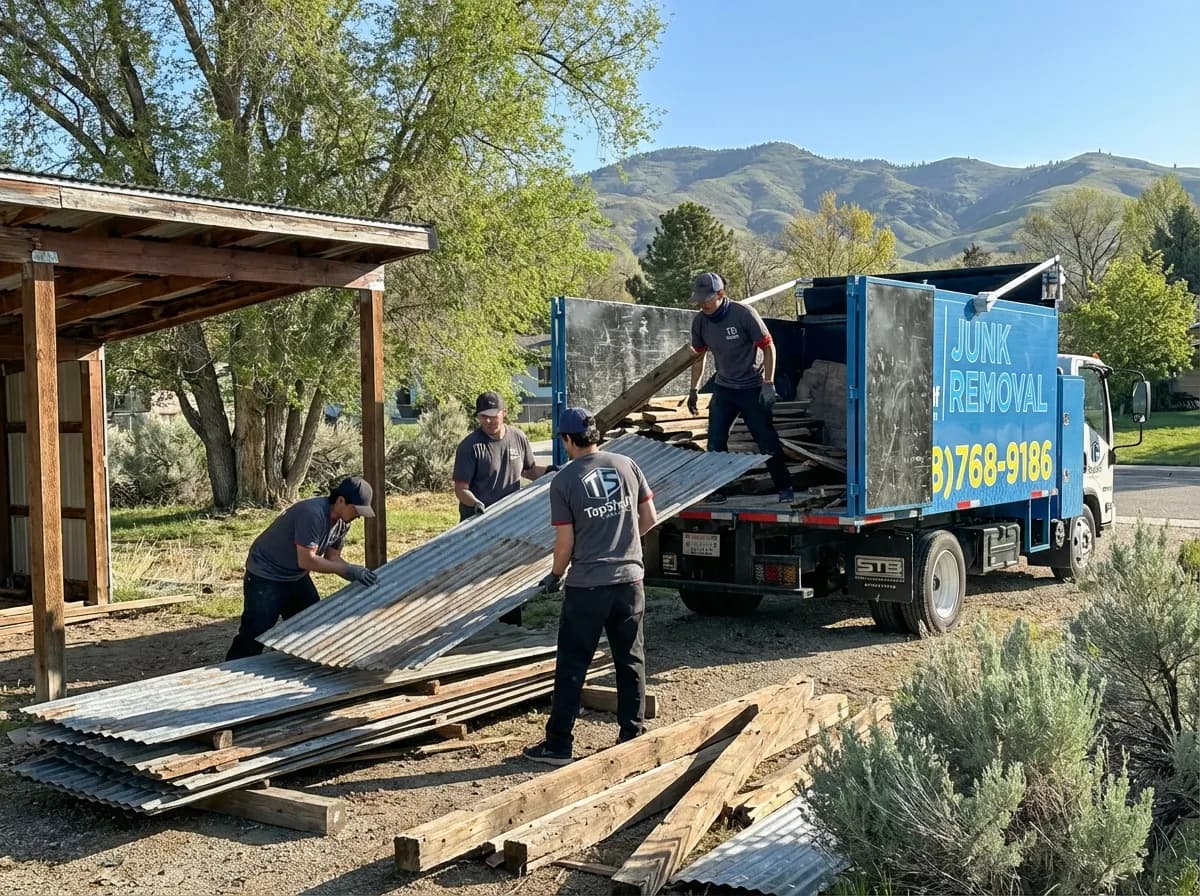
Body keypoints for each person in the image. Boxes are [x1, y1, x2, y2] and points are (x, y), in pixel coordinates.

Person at [522, 407, 658, 766]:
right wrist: (624, 545)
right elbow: (649, 517)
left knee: (572, 663)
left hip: (588, 587)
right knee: (630, 659)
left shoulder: (565, 480)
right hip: (630, 581)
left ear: (567, 439)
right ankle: (631, 734)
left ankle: (559, 745)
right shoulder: (627, 465)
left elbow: (565, 542)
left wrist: (555, 575)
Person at [225, 476, 380, 661]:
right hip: (266, 573)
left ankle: (294, 664)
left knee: (311, 623)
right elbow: (306, 560)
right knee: (256, 631)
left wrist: (354, 572)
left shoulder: (342, 523)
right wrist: (347, 570)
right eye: (356, 510)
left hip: (295, 575)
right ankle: (231, 669)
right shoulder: (312, 514)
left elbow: (332, 557)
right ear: (341, 500)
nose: (359, 515)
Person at [686, 272, 793, 503]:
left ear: (720, 294)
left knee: (765, 439)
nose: (702, 304)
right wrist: (694, 389)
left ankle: (785, 486)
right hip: (724, 388)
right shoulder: (700, 322)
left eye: (706, 299)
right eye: (699, 300)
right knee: (715, 441)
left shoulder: (743, 314)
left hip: (751, 387)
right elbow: (699, 357)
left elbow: (768, 347)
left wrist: (768, 383)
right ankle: (718, 490)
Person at [452, 391, 553, 521]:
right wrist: (476, 504)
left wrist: (552, 471)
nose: (488, 421)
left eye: (493, 416)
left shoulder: (518, 437)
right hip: (478, 520)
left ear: (504, 412)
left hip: (509, 517)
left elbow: (529, 471)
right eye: (483, 416)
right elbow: (461, 489)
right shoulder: (470, 447)